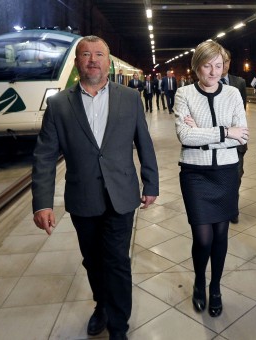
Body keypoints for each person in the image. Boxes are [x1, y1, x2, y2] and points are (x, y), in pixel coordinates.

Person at [31, 35, 159, 340]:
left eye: (99, 54)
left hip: (121, 194)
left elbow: (144, 143)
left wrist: (151, 181)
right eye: (86, 55)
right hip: (82, 196)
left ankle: (118, 327)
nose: (92, 60)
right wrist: (42, 202)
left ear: (108, 62)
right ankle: (101, 304)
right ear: (77, 63)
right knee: (93, 259)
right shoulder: (59, 104)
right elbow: (45, 155)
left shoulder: (129, 98)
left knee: (117, 260)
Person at [174, 40, 248, 318]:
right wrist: (224, 132)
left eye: (219, 65)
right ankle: (199, 280)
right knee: (203, 237)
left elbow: (242, 136)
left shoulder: (232, 94)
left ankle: (215, 286)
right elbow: (185, 137)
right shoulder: (183, 95)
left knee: (220, 235)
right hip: (195, 174)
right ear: (197, 67)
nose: (214, 71)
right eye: (208, 65)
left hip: (226, 173)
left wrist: (206, 133)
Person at [221, 49, 247, 224]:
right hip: (217, 140)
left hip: (236, 141)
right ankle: (222, 207)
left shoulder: (239, 82)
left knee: (237, 176)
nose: (223, 65)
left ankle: (233, 208)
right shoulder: (207, 82)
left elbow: (242, 110)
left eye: (226, 61)